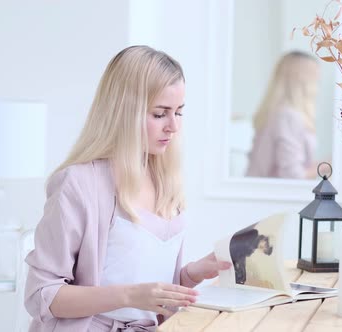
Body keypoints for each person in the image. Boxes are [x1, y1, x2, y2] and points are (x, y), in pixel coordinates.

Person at [24, 45, 231, 332]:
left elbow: (149, 294)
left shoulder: (165, 179)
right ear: (125, 112)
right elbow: (42, 295)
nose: (173, 126)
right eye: (160, 114)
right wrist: (129, 294)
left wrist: (191, 274)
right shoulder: (79, 183)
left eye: (179, 112)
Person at [246, 51, 320, 179]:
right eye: (315, 79)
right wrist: (329, 166)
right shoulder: (288, 117)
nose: (317, 86)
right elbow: (293, 176)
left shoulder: (276, 113)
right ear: (303, 82)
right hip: (268, 195)